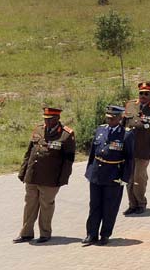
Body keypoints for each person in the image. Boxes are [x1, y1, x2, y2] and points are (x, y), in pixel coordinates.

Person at [14, 106, 76, 244]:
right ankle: (26, 233)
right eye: (45, 119)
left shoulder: (66, 134)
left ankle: (45, 233)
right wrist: (23, 171)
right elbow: (29, 152)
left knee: (46, 205)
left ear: (57, 119)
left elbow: (68, 160)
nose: (47, 122)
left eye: (50, 120)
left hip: (50, 178)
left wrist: (62, 179)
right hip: (33, 175)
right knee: (30, 204)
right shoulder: (38, 129)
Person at [83, 105, 134, 246]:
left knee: (109, 207)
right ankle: (91, 234)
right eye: (108, 118)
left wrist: (125, 178)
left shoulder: (126, 134)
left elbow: (129, 159)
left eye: (113, 118)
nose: (110, 120)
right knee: (94, 205)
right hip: (97, 174)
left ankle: (105, 235)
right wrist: (89, 171)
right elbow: (93, 152)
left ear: (120, 118)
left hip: (113, 175)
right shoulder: (101, 129)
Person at [122, 81, 150, 214]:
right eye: (141, 93)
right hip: (128, 150)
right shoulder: (130, 105)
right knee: (129, 178)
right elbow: (122, 127)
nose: (143, 96)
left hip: (144, 150)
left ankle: (141, 203)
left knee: (139, 178)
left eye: (146, 93)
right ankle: (132, 204)